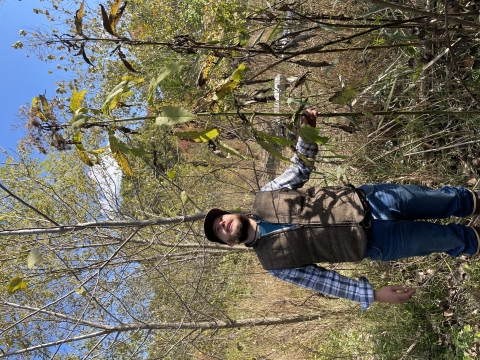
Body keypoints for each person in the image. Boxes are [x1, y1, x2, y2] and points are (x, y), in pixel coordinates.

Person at [203, 109, 480, 310]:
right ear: (228, 243)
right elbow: (324, 282)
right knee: (453, 240)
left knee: (451, 200)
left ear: (230, 212)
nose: (222, 225)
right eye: (219, 232)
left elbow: (299, 170)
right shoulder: (273, 264)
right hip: (380, 243)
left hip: (375, 198)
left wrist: (307, 135)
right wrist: (373, 295)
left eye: (220, 219)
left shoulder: (266, 195)